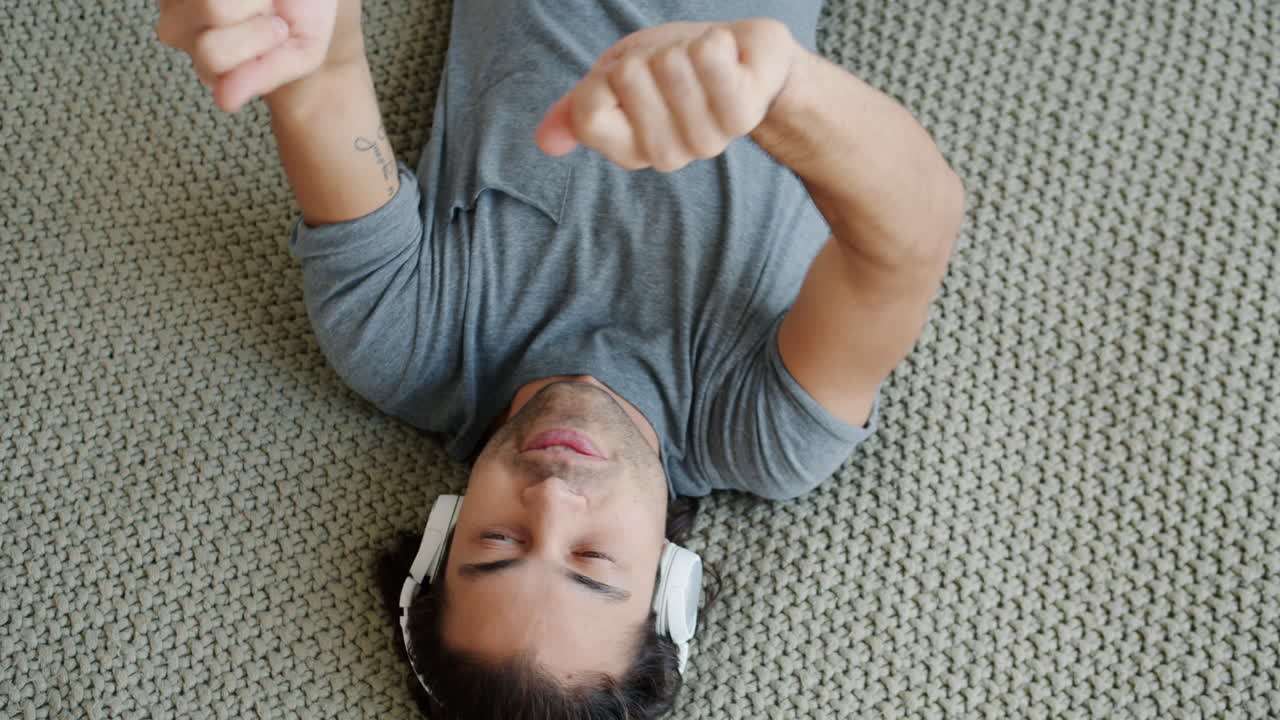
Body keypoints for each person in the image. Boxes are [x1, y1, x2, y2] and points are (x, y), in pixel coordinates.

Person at [156, 0, 964, 717]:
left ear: (444, 537)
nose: (552, 498)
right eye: (593, 560)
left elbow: (323, 69)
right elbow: (913, 231)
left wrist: (285, 27)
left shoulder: (402, 340)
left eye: (497, 544)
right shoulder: (760, 433)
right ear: (667, 584)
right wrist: (775, 87)